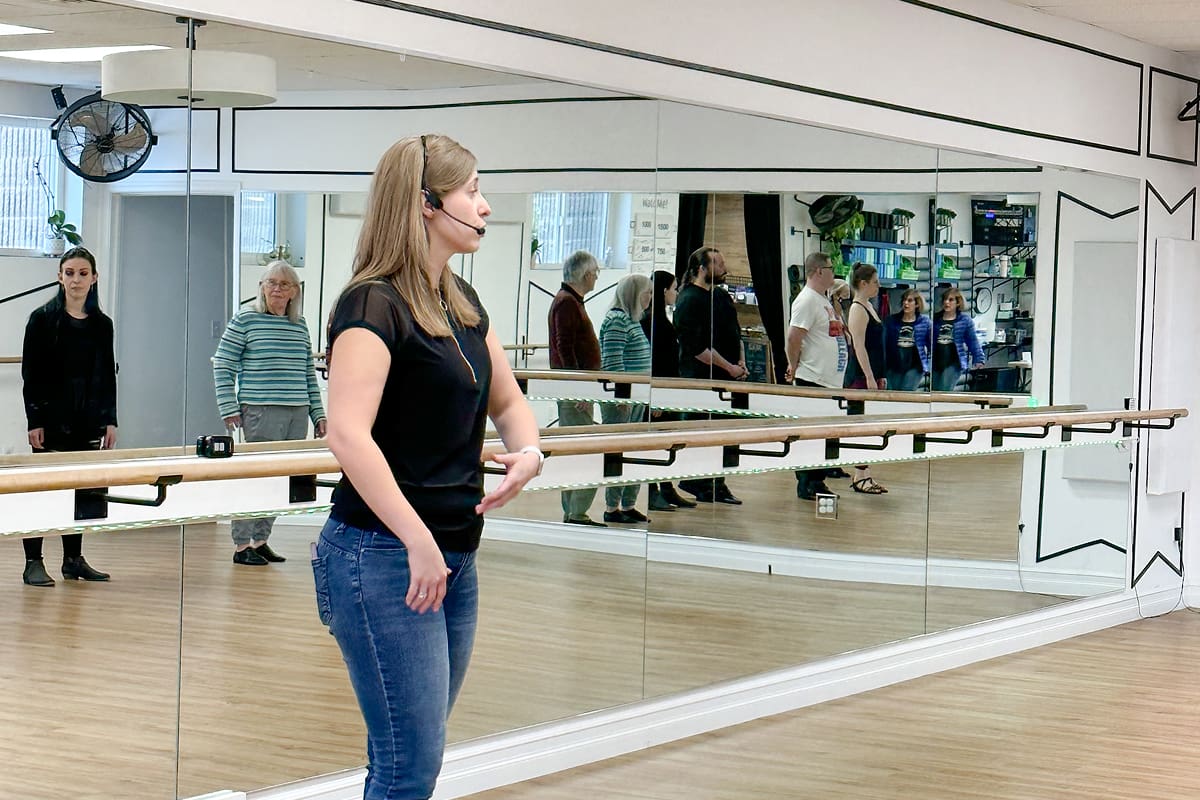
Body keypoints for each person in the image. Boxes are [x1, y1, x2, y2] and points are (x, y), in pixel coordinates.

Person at [317, 134, 541, 800]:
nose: (485, 206)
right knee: (408, 767)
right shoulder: (371, 305)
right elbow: (348, 436)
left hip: (453, 555)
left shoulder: (462, 303)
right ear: (424, 204)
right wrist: (417, 540)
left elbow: (509, 401)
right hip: (382, 557)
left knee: (409, 755)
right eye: (472, 191)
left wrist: (528, 452)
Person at [213, 259, 327, 566]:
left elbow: (307, 373)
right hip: (260, 411)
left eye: (284, 284)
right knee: (255, 479)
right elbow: (222, 363)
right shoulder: (246, 320)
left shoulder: (298, 325)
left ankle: (261, 540)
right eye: (271, 283)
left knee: (281, 482)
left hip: (297, 411)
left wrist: (318, 414)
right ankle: (241, 546)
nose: (277, 289)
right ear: (262, 288)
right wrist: (228, 406)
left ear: (294, 292)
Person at [20, 247, 115, 586]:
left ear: (94, 278)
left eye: (83, 273)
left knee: (81, 491)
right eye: (70, 273)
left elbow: (107, 376)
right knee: (43, 491)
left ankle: (73, 560)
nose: (76, 279)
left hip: (87, 420)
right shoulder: (42, 319)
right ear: (60, 277)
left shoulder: (103, 325)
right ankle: (33, 561)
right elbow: (31, 375)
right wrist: (35, 421)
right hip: (51, 420)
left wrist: (110, 420)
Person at [674, 246, 743, 505]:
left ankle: (716, 481)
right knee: (703, 431)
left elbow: (733, 334)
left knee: (723, 433)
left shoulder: (719, 298)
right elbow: (695, 348)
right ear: (702, 269)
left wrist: (740, 363)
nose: (724, 268)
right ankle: (698, 481)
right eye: (718, 263)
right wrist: (729, 367)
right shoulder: (690, 299)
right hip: (702, 379)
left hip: (725, 375)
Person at [547, 250, 605, 526]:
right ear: (585, 274)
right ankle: (577, 511)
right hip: (575, 390)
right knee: (582, 450)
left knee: (576, 449)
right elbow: (564, 347)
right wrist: (579, 388)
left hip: (577, 388)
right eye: (595, 272)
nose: (596, 277)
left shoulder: (570, 301)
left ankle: (574, 511)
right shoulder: (567, 303)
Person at [784, 252, 841, 501]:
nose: (834, 272)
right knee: (812, 435)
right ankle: (807, 482)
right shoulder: (806, 300)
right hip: (813, 378)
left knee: (825, 434)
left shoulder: (822, 299)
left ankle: (817, 479)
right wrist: (793, 365)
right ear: (819, 271)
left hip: (829, 380)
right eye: (831, 268)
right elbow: (793, 337)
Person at [640, 269, 696, 511]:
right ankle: (652, 492)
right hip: (659, 393)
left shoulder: (661, 320)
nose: (677, 292)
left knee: (668, 442)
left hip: (668, 390)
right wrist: (657, 400)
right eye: (674, 288)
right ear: (664, 292)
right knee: (656, 444)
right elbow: (654, 364)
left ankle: (666, 487)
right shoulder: (650, 322)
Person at [600, 273, 653, 524]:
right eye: (647, 293)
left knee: (634, 450)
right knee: (618, 452)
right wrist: (621, 396)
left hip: (637, 396)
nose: (649, 299)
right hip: (623, 399)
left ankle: (628, 503)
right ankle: (612, 507)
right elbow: (612, 361)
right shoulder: (617, 321)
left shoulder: (633, 321)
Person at [843, 263, 888, 495]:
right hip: (859, 376)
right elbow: (858, 346)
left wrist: (879, 375)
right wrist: (869, 376)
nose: (878, 286)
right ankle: (860, 475)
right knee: (861, 427)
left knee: (869, 427)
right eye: (875, 282)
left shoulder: (869, 306)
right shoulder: (857, 309)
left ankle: (864, 473)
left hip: (871, 374)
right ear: (863, 284)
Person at [932, 287, 986, 392]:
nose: (947, 302)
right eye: (945, 299)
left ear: (958, 303)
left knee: (944, 389)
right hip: (937, 361)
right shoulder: (936, 319)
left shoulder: (965, 320)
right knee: (935, 390)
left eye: (951, 300)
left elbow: (973, 341)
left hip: (954, 361)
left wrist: (979, 358)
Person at [884, 288, 931, 391]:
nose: (906, 303)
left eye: (910, 301)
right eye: (904, 300)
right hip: (894, 365)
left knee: (907, 393)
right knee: (894, 396)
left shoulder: (925, 323)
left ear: (917, 304)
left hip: (915, 366)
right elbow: (884, 344)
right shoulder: (891, 321)